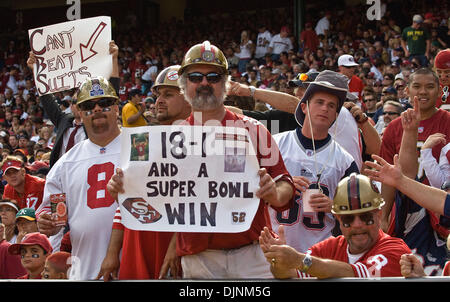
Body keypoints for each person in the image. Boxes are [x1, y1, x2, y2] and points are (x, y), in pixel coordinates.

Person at [109, 40, 295, 279]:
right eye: (196, 77)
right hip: (199, 259)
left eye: (214, 77)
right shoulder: (166, 141)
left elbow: (285, 185)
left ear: (226, 83)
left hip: (254, 254)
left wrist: (274, 193)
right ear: (185, 84)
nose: (205, 83)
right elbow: (154, 197)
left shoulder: (254, 130)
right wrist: (122, 190)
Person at [99, 65, 191, 281]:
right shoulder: (141, 140)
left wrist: (178, 243)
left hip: (176, 244)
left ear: (189, 99)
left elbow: (199, 202)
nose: (158, 101)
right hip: (136, 242)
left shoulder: (200, 143)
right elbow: (125, 205)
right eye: (158, 95)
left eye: (168, 94)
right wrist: (112, 252)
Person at [36, 76, 122, 280]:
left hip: (135, 266)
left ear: (117, 107)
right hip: (86, 268)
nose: (98, 109)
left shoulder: (140, 148)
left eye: (105, 103)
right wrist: (47, 222)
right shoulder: (66, 163)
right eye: (89, 106)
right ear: (80, 114)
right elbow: (52, 214)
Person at [268, 70, 360, 253]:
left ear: (336, 114)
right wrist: (280, 185)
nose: (325, 108)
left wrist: (335, 207)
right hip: (273, 247)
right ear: (304, 107)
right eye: (319, 102)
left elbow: (359, 215)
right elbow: (249, 190)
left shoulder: (345, 161)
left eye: (332, 106)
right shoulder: (275, 143)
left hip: (319, 254)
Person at [259, 173, 412, 279]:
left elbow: (354, 275)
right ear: (338, 219)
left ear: (378, 215)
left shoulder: (395, 250)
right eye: (348, 219)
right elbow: (290, 273)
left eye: (366, 217)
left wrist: (299, 260)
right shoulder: (331, 247)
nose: (357, 225)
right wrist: (278, 260)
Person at [380, 74, 450, 275]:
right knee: (408, 266)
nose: (423, 92)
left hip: (441, 209)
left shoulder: (448, 121)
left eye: (429, 86)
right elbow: (389, 177)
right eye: (417, 86)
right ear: (407, 90)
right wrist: (384, 216)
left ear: (438, 90)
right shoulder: (394, 128)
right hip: (408, 210)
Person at [27, 41, 120, 168]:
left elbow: (112, 94)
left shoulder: (94, 123)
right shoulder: (63, 120)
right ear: (71, 106)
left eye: (86, 103)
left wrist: (114, 58)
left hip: (87, 170)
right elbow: (46, 98)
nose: (77, 105)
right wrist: (36, 71)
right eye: (75, 102)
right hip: (62, 172)